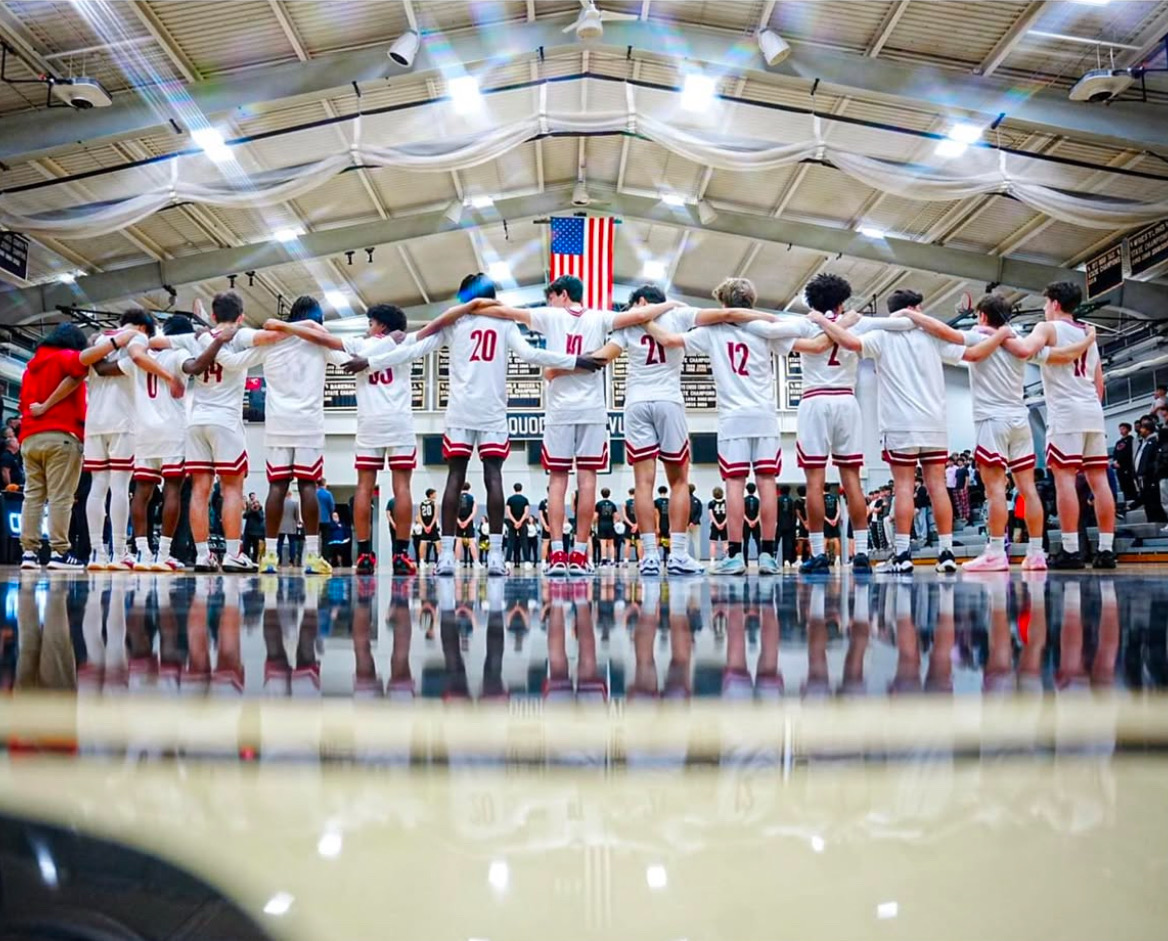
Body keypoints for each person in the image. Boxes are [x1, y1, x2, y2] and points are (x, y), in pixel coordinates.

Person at [354, 276, 593, 576]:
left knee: (455, 478)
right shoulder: (504, 323)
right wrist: (574, 360)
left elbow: (414, 350)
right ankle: (495, 555)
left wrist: (370, 362)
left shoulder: (456, 323)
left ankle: (446, 557)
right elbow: (531, 354)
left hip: (460, 412)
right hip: (492, 412)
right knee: (494, 478)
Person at [473, 274, 682, 575]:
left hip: (560, 411)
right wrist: (671, 303)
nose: (549, 302)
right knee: (587, 482)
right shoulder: (601, 317)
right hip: (592, 409)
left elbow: (505, 311)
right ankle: (580, 556)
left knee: (557, 483)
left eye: (551, 296)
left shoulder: (549, 315)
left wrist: (473, 307)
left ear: (561, 295)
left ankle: (557, 554)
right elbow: (641, 314)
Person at [811, 288, 1012, 574]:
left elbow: (848, 342)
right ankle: (947, 553)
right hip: (934, 422)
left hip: (899, 424)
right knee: (938, 486)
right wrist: (1003, 334)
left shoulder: (881, 335)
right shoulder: (931, 335)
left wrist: (822, 321)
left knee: (904, 487)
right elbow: (972, 353)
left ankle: (903, 555)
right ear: (914, 308)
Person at [898, 292, 1094, 571]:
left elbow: (945, 332)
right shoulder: (1019, 342)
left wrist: (912, 314)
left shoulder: (978, 336)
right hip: (1020, 419)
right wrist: (1087, 340)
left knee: (995, 492)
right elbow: (1061, 355)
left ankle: (995, 553)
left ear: (981, 315)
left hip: (992, 420)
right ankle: (1037, 554)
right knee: (1028, 489)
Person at [583, 283, 771, 575]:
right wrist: (775, 318)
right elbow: (730, 314)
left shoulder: (629, 323)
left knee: (643, 484)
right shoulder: (680, 314)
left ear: (642, 301)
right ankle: (679, 555)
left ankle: (649, 557)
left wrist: (569, 365)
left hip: (635, 402)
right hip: (669, 401)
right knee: (679, 481)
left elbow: (601, 358)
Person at [648, 277, 828, 574]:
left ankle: (734, 555)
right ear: (751, 302)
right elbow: (813, 346)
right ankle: (769, 556)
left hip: (733, 417)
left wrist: (642, 322)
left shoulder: (711, 331)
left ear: (722, 304)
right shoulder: (766, 330)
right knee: (767, 483)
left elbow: (668, 340)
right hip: (765, 415)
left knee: (734, 484)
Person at [745, 272, 911, 574]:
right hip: (847, 401)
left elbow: (762, 327)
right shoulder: (856, 321)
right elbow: (901, 323)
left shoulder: (805, 323)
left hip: (814, 401)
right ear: (842, 299)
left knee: (814, 483)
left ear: (811, 300)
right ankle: (861, 553)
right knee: (852, 480)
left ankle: (819, 553)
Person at [267, 303, 420, 575]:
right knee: (402, 489)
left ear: (381, 326)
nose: (367, 328)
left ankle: (363, 555)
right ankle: (400, 555)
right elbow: (430, 334)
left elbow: (325, 339)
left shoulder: (358, 345)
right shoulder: (404, 342)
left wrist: (286, 326)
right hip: (399, 422)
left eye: (371, 323)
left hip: (369, 422)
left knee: (363, 487)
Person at [18, 324, 139, 569]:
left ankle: (29, 553)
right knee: (60, 497)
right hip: (61, 436)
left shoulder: (30, 368)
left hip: (29, 438)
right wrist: (119, 340)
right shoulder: (64, 357)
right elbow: (85, 360)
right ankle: (58, 552)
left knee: (32, 497)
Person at [182, 292, 284, 572]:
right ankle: (232, 553)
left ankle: (203, 555)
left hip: (196, 419)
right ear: (240, 316)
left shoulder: (201, 337)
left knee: (199, 491)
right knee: (231, 490)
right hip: (225, 421)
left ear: (213, 316)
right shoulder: (239, 335)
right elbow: (270, 336)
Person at [1027, 281, 1116, 568]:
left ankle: (1070, 549)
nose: (1043, 309)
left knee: (1064, 480)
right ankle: (1106, 550)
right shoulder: (1087, 333)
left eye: (1045, 304)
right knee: (1099, 481)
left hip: (1066, 412)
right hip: (1092, 410)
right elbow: (1100, 384)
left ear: (1054, 303)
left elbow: (1028, 351)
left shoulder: (1047, 328)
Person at [113, 312, 198, 572]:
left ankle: (142, 553)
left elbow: (105, 369)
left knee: (142, 493)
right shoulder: (179, 353)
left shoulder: (138, 355)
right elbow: (193, 367)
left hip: (143, 430)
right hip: (172, 429)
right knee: (172, 491)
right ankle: (163, 554)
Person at [1132, 417, 1165, 522]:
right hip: (1142, 477)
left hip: (1151, 477)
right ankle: (1152, 521)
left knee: (1153, 502)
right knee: (1147, 503)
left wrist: (1149, 471)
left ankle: (1159, 523)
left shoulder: (1154, 442)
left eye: (1142, 428)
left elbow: (1155, 460)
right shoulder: (1143, 443)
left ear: (1148, 429)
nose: (1140, 430)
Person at [506, 483, 531, 570]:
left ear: (514, 489)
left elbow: (508, 512)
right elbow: (526, 512)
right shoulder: (525, 500)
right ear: (521, 488)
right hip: (522, 522)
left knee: (510, 542)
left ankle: (508, 562)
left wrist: (515, 522)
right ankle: (527, 562)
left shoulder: (510, 499)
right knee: (524, 542)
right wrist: (520, 522)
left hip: (512, 522)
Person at [1113, 422, 1136, 508]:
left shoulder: (1131, 440)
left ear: (1128, 429)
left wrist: (1122, 462)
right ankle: (1126, 500)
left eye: (1123, 428)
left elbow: (1129, 453)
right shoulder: (1118, 442)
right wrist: (1115, 461)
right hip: (1119, 467)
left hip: (1127, 466)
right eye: (1120, 429)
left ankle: (1132, 500)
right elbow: (1116, 453)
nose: (1121, 431)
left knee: (1129, 483)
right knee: (1122, 484)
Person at [456, 482, 479, 567]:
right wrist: (467, 521)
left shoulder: (456, 498)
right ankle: (476, 562)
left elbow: (453, 511)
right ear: (469, 488)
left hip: (459, 521)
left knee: (458, 541)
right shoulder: (472, 498)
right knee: (471, 542)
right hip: (468, 521)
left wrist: (459, 521)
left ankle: (457, 562)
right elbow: (474, 511)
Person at [416, 488, 440, 567]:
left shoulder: (422, 503)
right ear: (431, 494)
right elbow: (435, 516)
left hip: (425, 526)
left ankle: (422, 561)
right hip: (432, 526)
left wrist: (424, 526)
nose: (436, 495)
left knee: (423, 542)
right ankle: (439, 561)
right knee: (437, 542)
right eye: (435, 493)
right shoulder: (434, 503)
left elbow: (419, 517)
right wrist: (430, 526)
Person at [595, 487, 618, 565]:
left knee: (603, 544)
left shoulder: (598, 504)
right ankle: (612, 560)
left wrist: (593, 523)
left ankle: (604, 560)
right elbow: (616, 516)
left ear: (601, 494)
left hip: (602, 525)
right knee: (611, 543)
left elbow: (595, 516)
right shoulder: (612, 504)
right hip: (610, 525)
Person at [278, 493, 302, 566]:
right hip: (291, 525)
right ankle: (292, 561)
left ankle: (279, 560)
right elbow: (297, 516)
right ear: (290, 495)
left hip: (280, 525)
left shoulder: (279, 503)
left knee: (280, 542)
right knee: (292, 543)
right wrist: (297, 522)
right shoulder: (294, 503)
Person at [777, 484, 797, 566]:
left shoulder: (778, 500)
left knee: (776, 542)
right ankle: (787, 560)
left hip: (779, 524)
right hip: (789, 525)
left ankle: (774, 558)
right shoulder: (791, 501)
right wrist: (793, 525)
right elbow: (794, 514)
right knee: (788, 543)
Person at [243, 492, 265, 562]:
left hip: (257, 533)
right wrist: (251, 510)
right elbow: (244, 516)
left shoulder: (260, 510)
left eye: (256, 503)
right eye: (253, 503)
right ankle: (246, 559)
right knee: (246, 547)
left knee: (256, 548)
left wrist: (256, 511)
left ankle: (254, 560)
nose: (255, 505)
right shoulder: (249, 510)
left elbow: (261, 518)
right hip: (248, 532)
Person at [742, 482, 761, 563]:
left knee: (746, 542)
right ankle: (760, 561)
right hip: (756, 524)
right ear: (755, 490)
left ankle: (745, 562)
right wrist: (754, 521)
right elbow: (760, 513)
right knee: (758, 543)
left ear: (746, 489)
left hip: (746, 524)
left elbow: (742, 513)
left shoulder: (743, 500)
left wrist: (749, 521)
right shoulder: (758, 500)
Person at [707, 486, 727, 561]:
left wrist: (717, 524)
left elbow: (711, 515)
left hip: (714, 526)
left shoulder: (711, 503)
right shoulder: (726, 502)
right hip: (724, 525)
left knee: (713, 543)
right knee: (725, 543)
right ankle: (726, 558)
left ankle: (712, 561)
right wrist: (723, 524)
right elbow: (728, 514)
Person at [823, 485, 842, 563]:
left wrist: (828, 520)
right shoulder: (835, 498)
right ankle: (837, 558)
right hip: (834, 521)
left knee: (825, 539)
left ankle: (823, 558)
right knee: (836, 538)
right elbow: (839, 510)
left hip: (826, 521)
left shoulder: (821, 498)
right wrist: (835, 519)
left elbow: (821, 512)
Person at [652, 485, 670, 561]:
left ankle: (655, 557)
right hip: (668, 524)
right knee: (668, 541)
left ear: (659, 492)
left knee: (657, 540)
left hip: (659, 524)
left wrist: (657, 527)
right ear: (666, 492)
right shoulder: (670, 501)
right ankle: (670, 558)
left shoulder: (656, 502)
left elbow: (656, 515)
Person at [623, 488, 639, 564]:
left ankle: (626, 561)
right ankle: (641, 561)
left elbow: (624, 517)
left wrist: (631, 525)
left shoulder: (625, 503)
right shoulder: (640, 502)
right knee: (639, 543)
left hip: (629, 526)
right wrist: (636, 525)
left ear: (629, 493)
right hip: (638, 525)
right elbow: (642, 515)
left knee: (627, 543)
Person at [687, 483, 702, 557]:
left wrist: (688, 523)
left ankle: (684, 560)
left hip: (685, 525)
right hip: (696, 524)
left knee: (686, 543)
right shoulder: (698, 501)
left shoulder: (683, 500)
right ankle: (698, 559)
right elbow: (699, 513)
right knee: (697, 542)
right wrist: (694, 522)